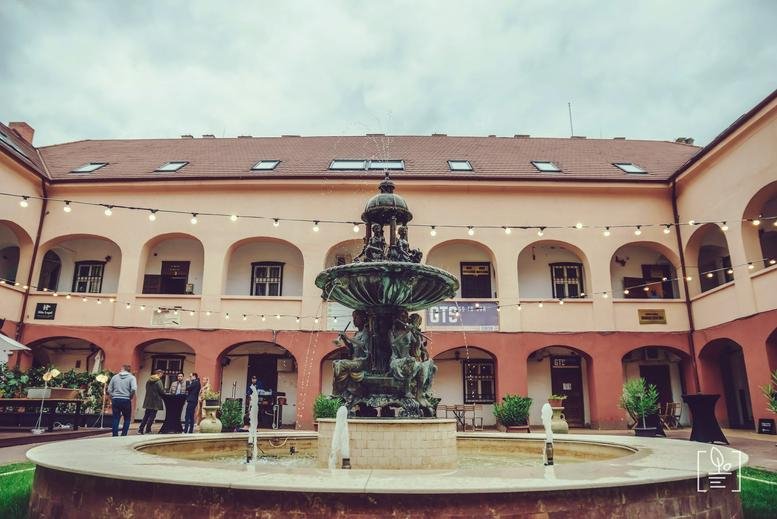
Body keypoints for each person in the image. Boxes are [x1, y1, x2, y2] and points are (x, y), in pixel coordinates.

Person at [107, 364, 137, 437]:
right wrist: (130, 396)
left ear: (122, 369)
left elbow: (109, 390)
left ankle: (115, 435)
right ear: (129, 370)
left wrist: (112, 397)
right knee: (127, 418)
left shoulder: (114, 377)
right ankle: (123, 434)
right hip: (126, 399)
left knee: (116, 417)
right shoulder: (132, 378)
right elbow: (133, 389)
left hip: (115, 399)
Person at [138, 369, 165, 434]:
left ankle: (140, 429)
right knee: (152, 416)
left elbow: (146, 388)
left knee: (146, 416)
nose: (162, 375)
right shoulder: (159, 381)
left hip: (148, 401)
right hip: (155, 401)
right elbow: (161, 391)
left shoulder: (149, 380)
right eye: (162, 374)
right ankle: (148, 429)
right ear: (159, 374)